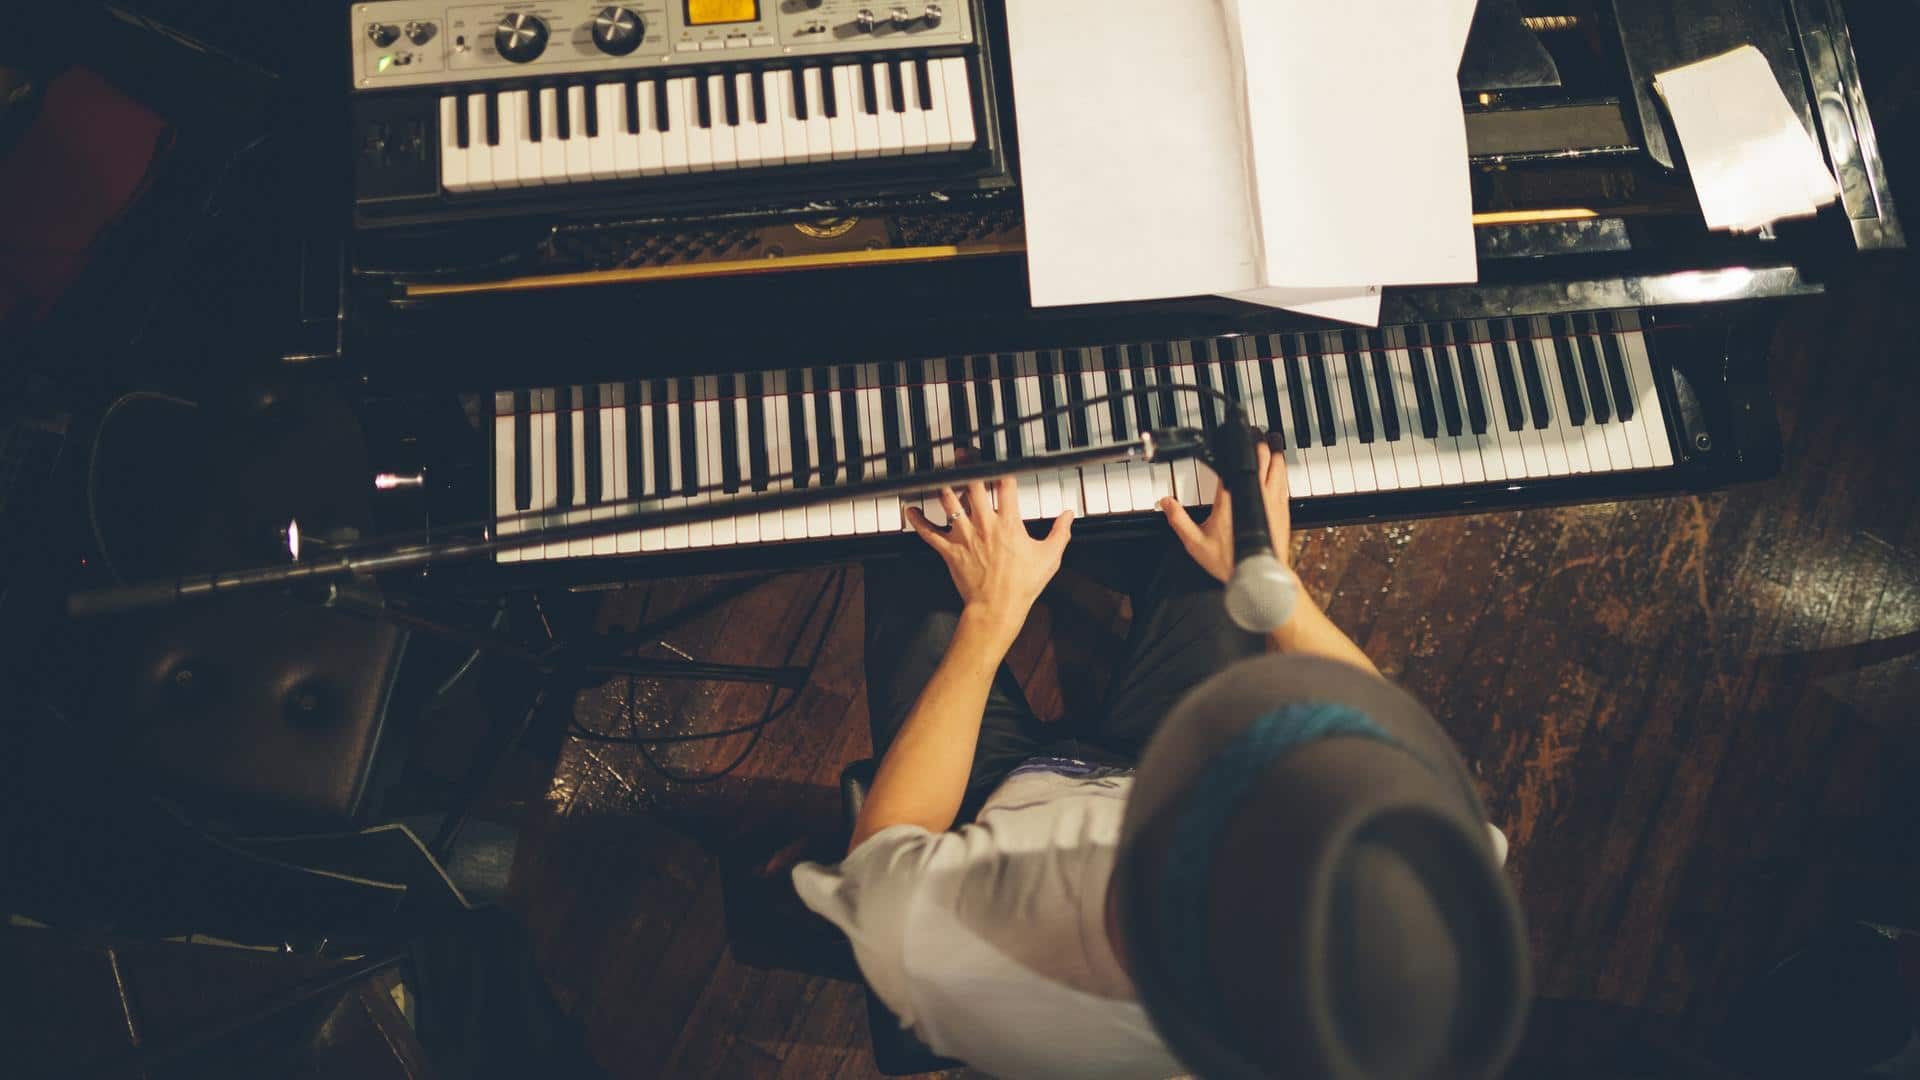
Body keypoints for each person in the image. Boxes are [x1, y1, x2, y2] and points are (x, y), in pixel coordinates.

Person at [794, 439, 1530, 1079]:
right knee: (1217, 527)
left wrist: (990, 618)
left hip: (986, 796)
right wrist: (1273, 584)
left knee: (911, 537)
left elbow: (883, 842)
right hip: (1159, 759)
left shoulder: (939, 955)